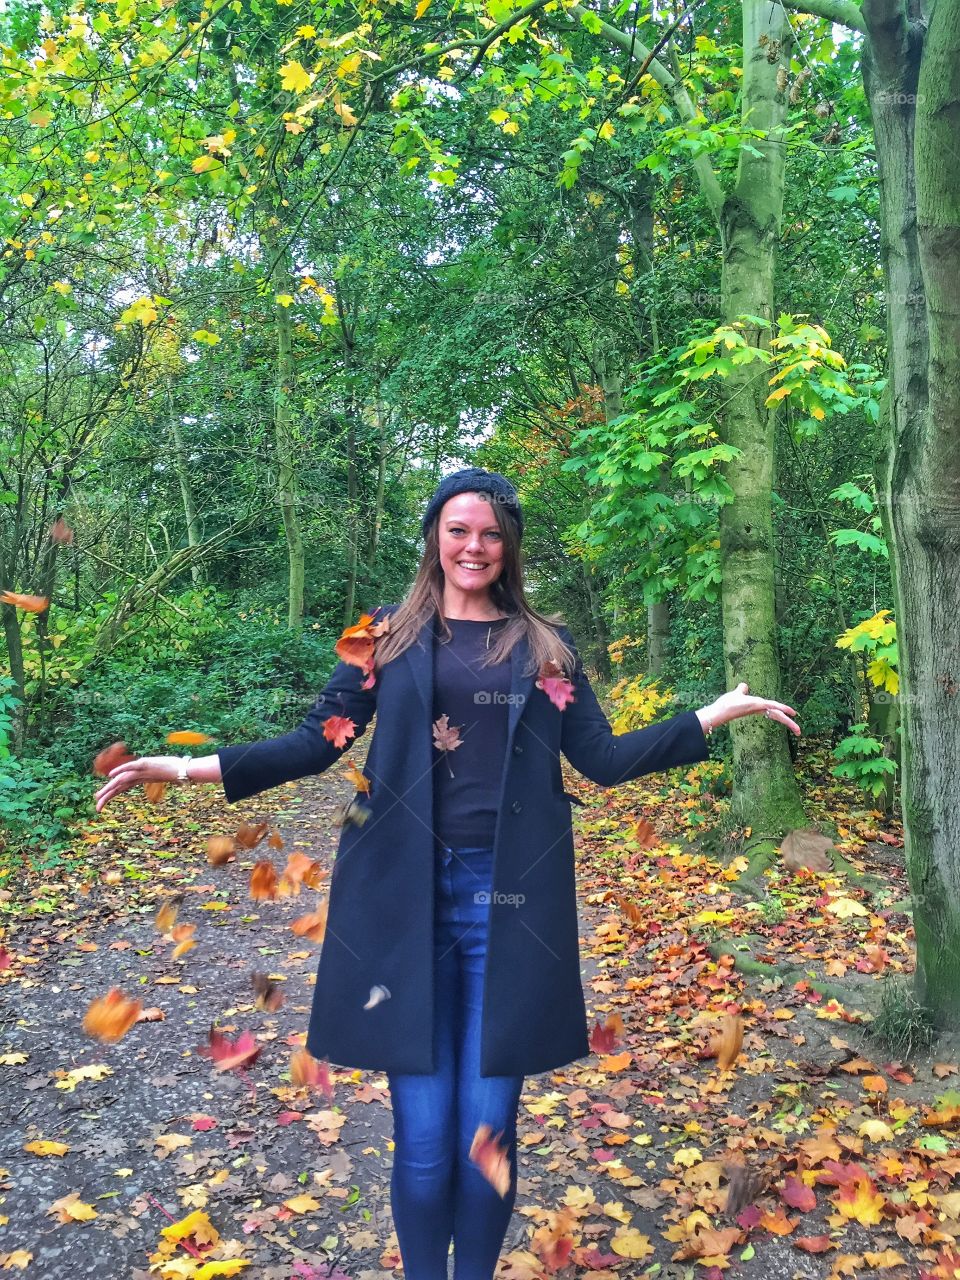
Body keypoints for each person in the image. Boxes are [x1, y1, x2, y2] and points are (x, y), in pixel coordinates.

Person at [95, 467, 800, 1279]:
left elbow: (601, 761)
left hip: (510, 911)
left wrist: (709, 716)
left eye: (491, 533)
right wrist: (182, 769)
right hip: (402, 911)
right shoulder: (383, 637)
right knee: (426, 1146)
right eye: (460, 529)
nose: (475, 546)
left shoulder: (546, 648)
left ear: (510, 546)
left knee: (486, 1139)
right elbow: (313, 742)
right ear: (435, 534)